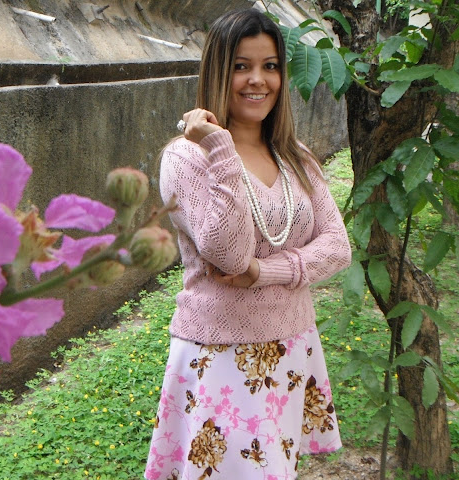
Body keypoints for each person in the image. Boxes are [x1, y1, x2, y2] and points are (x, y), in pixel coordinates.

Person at [144, 8, 351, 480]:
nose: (258, 80)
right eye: (242, 66)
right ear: (218, 71)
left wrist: (264, 272)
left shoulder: (295, 157)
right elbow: (228, 253)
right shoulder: (186, 158)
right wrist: (221, 147)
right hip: (222, 355)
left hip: (292, 344)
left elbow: (337, 246)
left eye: (270, 66)